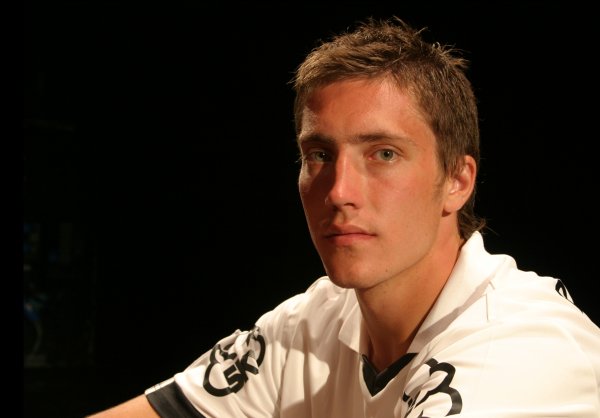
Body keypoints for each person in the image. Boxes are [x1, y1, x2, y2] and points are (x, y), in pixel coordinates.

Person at [87, 16, 600, 417]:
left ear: (457, 181)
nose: (339, 192)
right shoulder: (311, 324)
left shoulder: (523, 347)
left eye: (383, 154)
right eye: (319, 155)